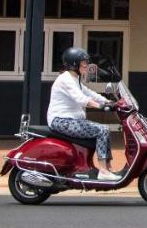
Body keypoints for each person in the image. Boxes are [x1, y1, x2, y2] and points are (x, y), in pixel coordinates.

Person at [47, 46, 118, 181]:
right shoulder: (65, 79)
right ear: (74, 64)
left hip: (70, 120)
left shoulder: (75, 79)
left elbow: (88, 92)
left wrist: (108, 101)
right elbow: (81, 99)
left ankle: (107, 167)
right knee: (102, 130)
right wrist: (101, 107)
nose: (86, 65)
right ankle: (103, 170)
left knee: (105, 129)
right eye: (84, 63)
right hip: (61, 121)